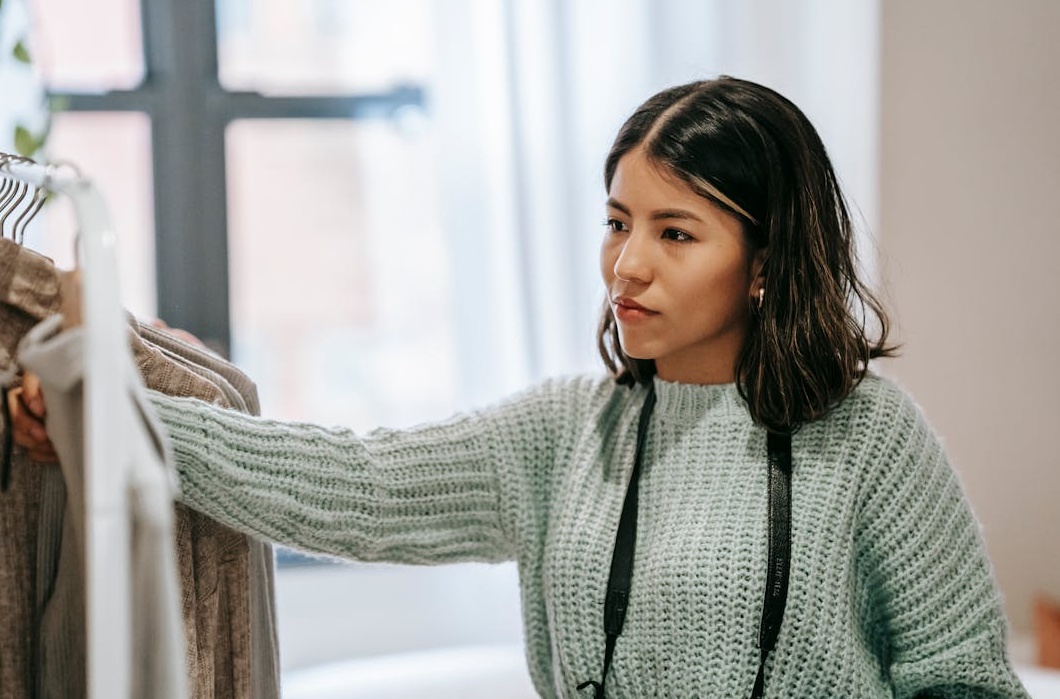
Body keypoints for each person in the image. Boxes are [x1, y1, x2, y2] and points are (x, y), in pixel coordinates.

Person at [8, 76, 1030, 698]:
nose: (626, 264)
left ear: (764, 260)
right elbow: (352, 485)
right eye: (616, 221)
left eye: (674, 233)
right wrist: (129, 421)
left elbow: (964, 682)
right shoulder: (564, 434)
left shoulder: (866, 437)